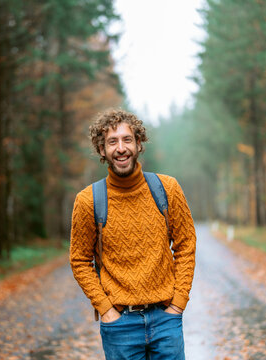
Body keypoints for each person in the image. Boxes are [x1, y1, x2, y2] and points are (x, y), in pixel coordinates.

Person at [69, 109, 196, 359]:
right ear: (102, 150)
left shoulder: (167, 189)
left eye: (127, 139)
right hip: (119, 325)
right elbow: (80, 260)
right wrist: (105, 309)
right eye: (112, 142)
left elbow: (186, 245)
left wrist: (178, 302)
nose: (121, 148)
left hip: (166, 321)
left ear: (138, 144)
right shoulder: (88, 201)